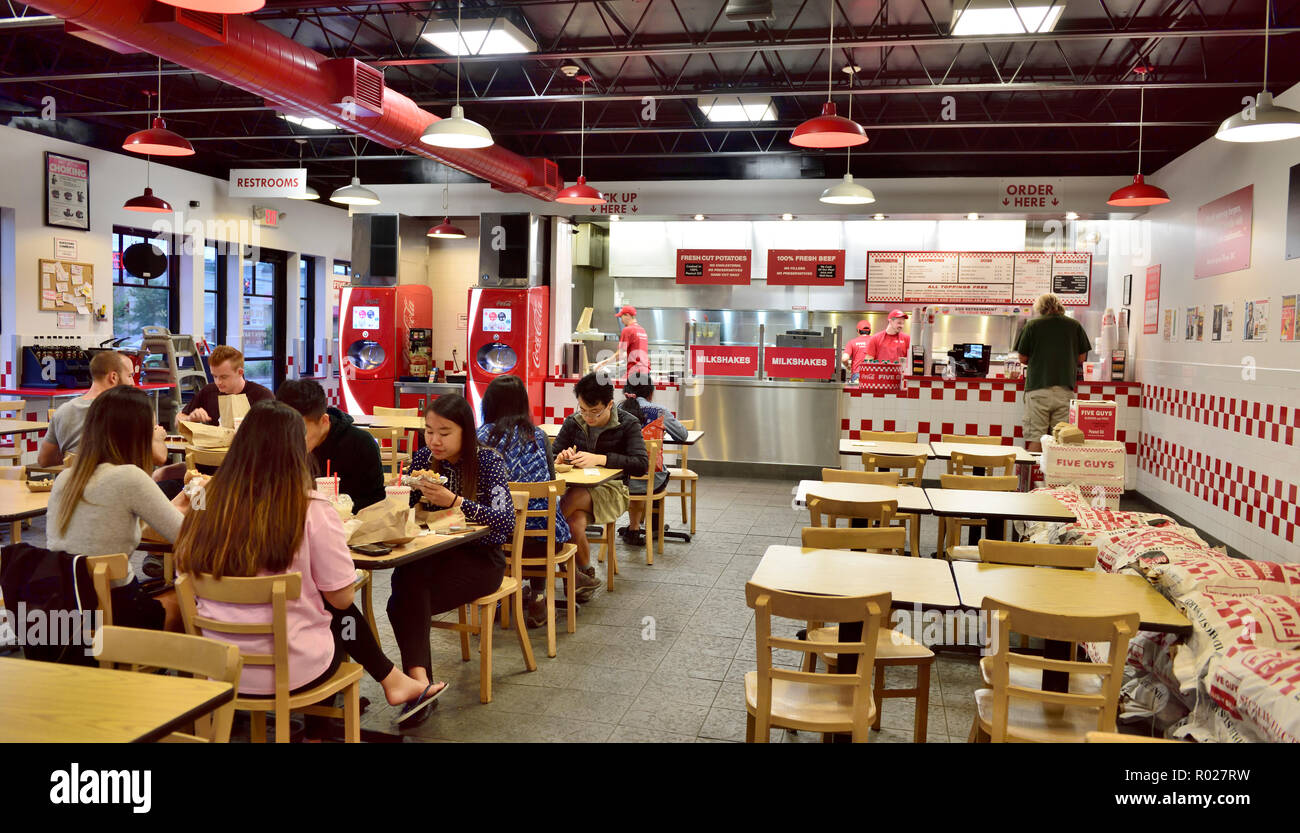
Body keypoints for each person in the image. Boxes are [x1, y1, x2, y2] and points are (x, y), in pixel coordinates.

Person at [175, 401, 443, 723]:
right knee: (332, 606)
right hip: (293, 670)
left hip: (214, 666)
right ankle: (340, 711)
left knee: (317, 603)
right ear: (296, 450)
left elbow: (182, 567)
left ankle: (391, 683)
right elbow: (341, 597)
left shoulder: (205, 497)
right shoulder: (311, 508)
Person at [390, 394, 515, 700]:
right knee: (406, 581)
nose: (435, 440)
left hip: (482, 562)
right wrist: (399, 494)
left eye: (444, 433)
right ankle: (421, 684)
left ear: (465, 432)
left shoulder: (488, 462)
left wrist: (455, 502)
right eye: (429, 431)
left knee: (403, 601)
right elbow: (404, 511)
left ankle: (418, 684)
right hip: (434, 555)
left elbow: (505, 522)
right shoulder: (422, 461)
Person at [46, 386, 192, 632]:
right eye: (152, 428)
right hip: (113, 613)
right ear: (137, 433)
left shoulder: (66, 478)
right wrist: (198, 501)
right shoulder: (130, 477)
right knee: (189, 597)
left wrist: (175, 504)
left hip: (66, 607)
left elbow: (115, 523)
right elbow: (187, 536)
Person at [476, 374, 571, 627]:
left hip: (498, 543)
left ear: (489, 403)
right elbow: (551, 481)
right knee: (541, 521)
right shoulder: (538, 436)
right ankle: (538, 595)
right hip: (545, 543)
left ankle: (496, 597)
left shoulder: (481, 438)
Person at [553, 373, 649, 603]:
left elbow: (640, 465)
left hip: (613, 490)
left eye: (594, 412)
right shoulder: (574, 421)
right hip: (577, 489)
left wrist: (601, 459)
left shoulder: (627, 423)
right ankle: (582, 575)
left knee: (573, 498)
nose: (588, 417)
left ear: (609, 404)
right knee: (574, 522)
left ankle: (542, 536)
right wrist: (561, 457)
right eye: (583, 410)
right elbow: (553, 452)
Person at [39, 350, 167, 468]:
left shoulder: (63, 410)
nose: (133, 383)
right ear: (113, 377)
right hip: (116, 487)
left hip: (73, 488)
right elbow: (159, 458)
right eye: (130, 376)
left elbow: (44, 460)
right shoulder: (130, 410)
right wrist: (156, 438)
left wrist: (76, 458)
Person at [276, 379, 386, 513]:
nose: (291, 439)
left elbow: (376, 499)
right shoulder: (278, 445)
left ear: (324, 421)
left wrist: (338, 507)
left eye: (300, 431)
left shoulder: (360, 443)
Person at [1014, 293, 1093, 452]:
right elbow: (1081, 358)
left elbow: (1022, 358)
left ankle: (1032, 476)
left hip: (1038, 389)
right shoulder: (1074, 325)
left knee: (1036, 437)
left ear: (1040, 308)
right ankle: (1056, 477)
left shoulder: (1032, 325)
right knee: (1060, 439)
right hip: (1065, 391)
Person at [617, 374, 686, 542]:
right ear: (650, 392)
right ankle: (654, 527)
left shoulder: (615, 411)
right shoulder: (660, 411)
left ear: (627, 391)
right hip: (653, 480)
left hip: (619, 479)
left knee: (635, 473)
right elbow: (682, 435)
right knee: (654, 471)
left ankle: (634, 528)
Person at [180, 345, 274, 426]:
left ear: (240, 372)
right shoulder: (208, 391)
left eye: (224, 377)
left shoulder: (262, 396)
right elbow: (178, 420)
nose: (218, 382)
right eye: (214, 376)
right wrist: (189, 419)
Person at [594, 305, 650, 381]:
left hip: (635, 373)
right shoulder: (642, 330)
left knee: (623, 390)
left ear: (627, 315)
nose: (621, 320)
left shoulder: (627, 330)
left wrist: (602, 364)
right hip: (645, 372)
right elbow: (624, 354)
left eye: (621, 317)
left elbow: (620, 354)